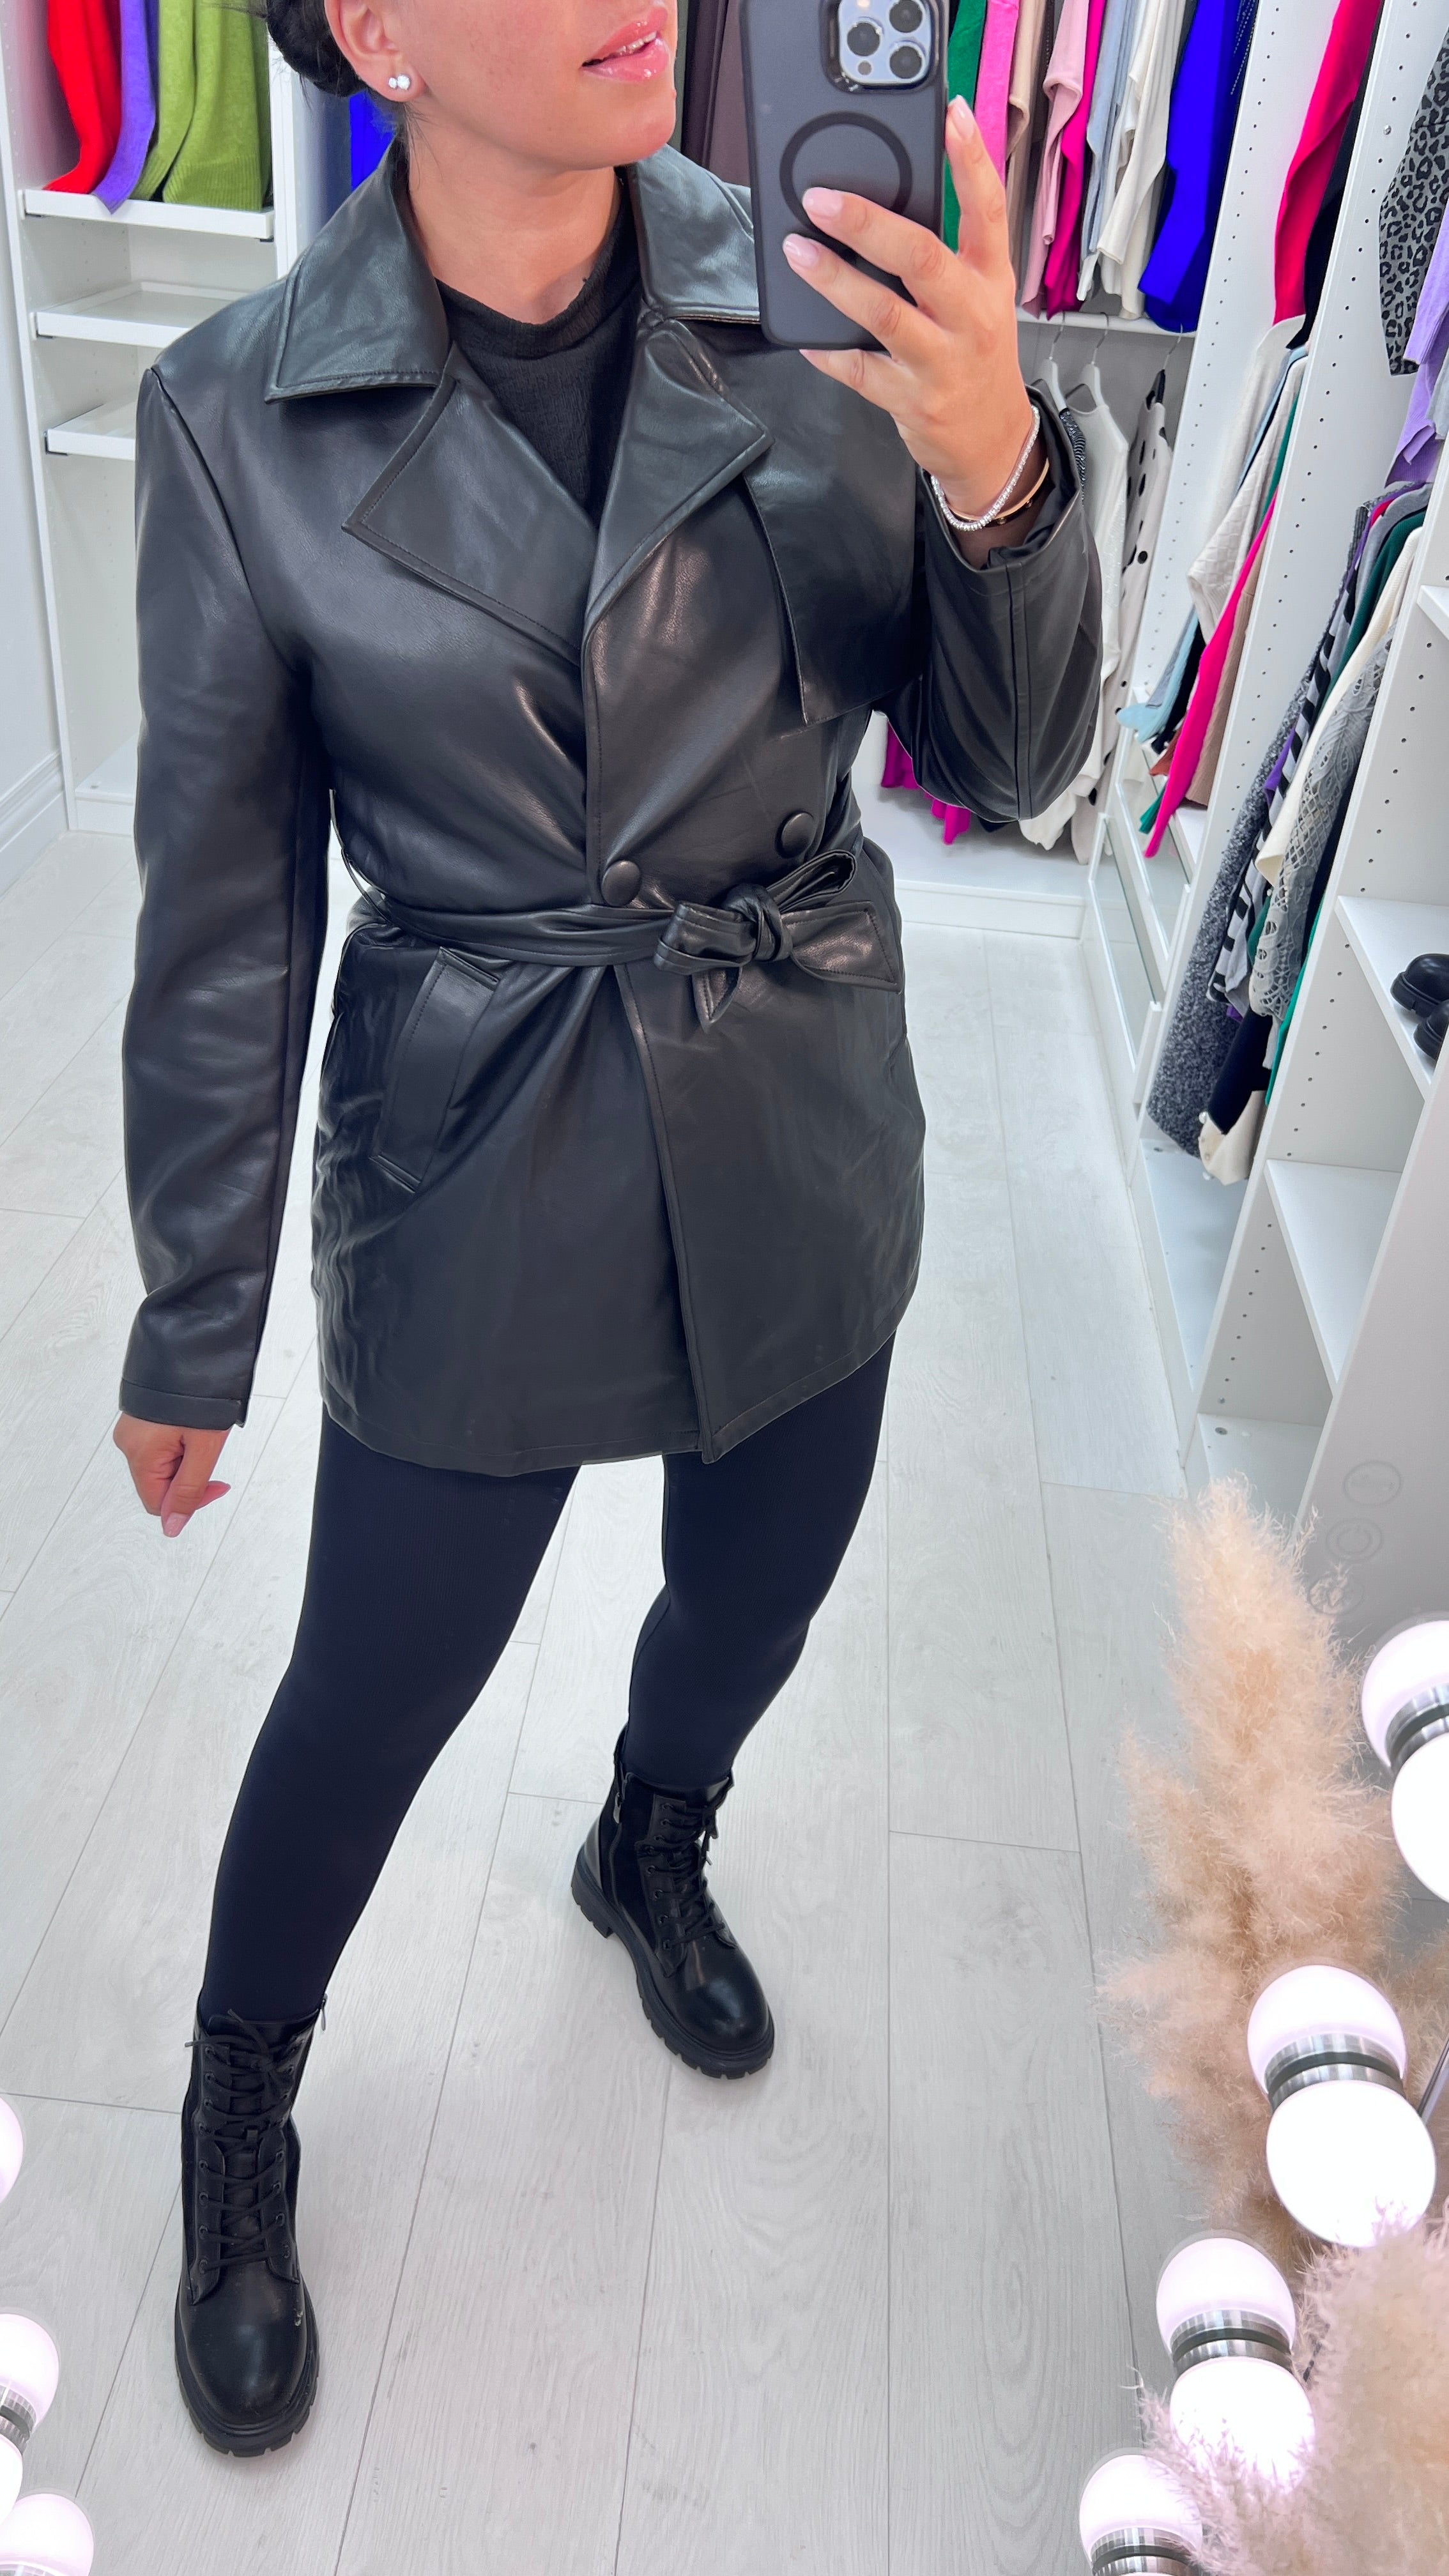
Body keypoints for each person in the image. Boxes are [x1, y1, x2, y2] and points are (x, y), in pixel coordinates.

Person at [112, 0, 1100, 2458]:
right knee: (374, 1686)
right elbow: (224, 921)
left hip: (796, 1104)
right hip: (478, 1137)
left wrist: (995, 471)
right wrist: (194, 1316)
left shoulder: (825, 297)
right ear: (375, 31)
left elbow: (1014, 764)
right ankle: (241, 2091)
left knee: (757, 1596)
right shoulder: (238, 415)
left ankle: (652, 1842)